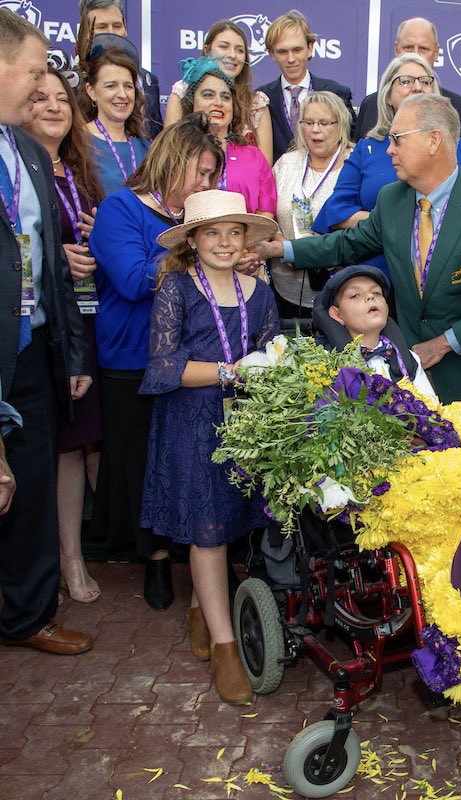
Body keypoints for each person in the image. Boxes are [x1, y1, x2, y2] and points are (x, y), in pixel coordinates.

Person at [254, 94, 461, 403]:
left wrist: (443, 344)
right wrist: (279, 250)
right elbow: (347, 244)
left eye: (397, 139)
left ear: (434, 140)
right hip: (406, 377)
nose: (390, 150)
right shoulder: (391, 200)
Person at [141, 190, 278, 704]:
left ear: (247, 239)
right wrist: (228, 372)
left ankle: (203, 606)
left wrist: (266, 374)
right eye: (211, 233)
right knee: (208, 529)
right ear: (193, 241)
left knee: (231, 516)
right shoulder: (176, 288)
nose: (224, 242)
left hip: (243, 422)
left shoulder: (259, 292)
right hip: (192, 421)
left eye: (234, 232)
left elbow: (269, 353)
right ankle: (225, 646)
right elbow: (162, 366)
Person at [88, 113, 223, 611]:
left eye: (213, 176)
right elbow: (131, 279)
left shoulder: (194, 221)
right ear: (173, 160)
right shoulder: (120, 209)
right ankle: (158, 560)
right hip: (132, 358)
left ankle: (199, 553)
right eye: (201, 172)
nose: (206, 184)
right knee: (143, 466)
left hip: (191, 359)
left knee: (187, 459)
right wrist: (196, 251)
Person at [0, 9, 94, 655]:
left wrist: (73, 353)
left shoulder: (30, 151)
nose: (41, 88)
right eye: (33, 72)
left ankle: (26, 616)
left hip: (32, 353)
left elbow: (51, 265)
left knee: (28, 489)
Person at [23, 66, 105, 603]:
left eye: (62, 99)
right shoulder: (17, 172)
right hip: (35, 327)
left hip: (87, 320)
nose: (54, 106)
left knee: (75, 445)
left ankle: (72, 560)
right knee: (34, 448)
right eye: (40, 97)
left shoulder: (80, 169)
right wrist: (55, 263)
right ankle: (34, 570)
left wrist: (98, 242)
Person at [311, 54, 461, 277]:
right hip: (374, 278)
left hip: (443, 275)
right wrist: (396, 220)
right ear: (387, 96)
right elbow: (336, 212)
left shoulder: (459, 147)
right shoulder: (367, 149)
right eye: (405, 81)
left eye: (425, 81)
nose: (416, 87)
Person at [271, 91, 353, 319]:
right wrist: (285, 248)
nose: (315, 129)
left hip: (340, 292)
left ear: (340, 124)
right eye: (309, 122)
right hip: (285, 289)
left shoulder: (356, 163)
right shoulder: (287, 163)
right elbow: (268, 216)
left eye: (324, 123)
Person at [354, 17, 461, 160]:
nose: (415, 54)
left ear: (436, 53)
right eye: (408, 47)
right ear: (396, 49)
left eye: (423, 48)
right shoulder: (370, 105)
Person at [177, 57, 276, 220]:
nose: (218, 103)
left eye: (225, 97)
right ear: (191, 102)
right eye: (208, 95)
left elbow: (266, 211)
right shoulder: (176, 151)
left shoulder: (254, 156)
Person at [164, 20, 274, 165]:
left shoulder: (256, 104)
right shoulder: (182, 92)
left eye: (240, 50)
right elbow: (168, 153)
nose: (233, 55)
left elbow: (264, 169)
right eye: (224, 46)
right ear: (206, 50)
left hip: (241, 187)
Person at [319, 265, 436, 399]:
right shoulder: (324, 362)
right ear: (337, 315)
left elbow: (430, 409)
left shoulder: (407, 359)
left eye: (376, 293)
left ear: (386, 306)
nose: (370, 297)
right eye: (355, 295)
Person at [257, 11, 356, 162]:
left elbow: (351, 146)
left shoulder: (337, 93)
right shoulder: (261, 99)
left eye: (297, 50)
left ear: (310, 48)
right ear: (272, 54)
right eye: (283, 52)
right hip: (277, 183)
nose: (291, 59)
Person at [78, 0, 162, 139]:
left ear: (125, 28)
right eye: (102, 26)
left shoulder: (148, 80)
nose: (111, 33)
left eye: (117, 26)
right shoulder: (73, 81)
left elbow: (155, 132)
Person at [81, 47, 151, 197]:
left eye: (128, 86)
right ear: (91, 91)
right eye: (111, 86)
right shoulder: (78, 141)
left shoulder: (145, 145)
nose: (122, 94)